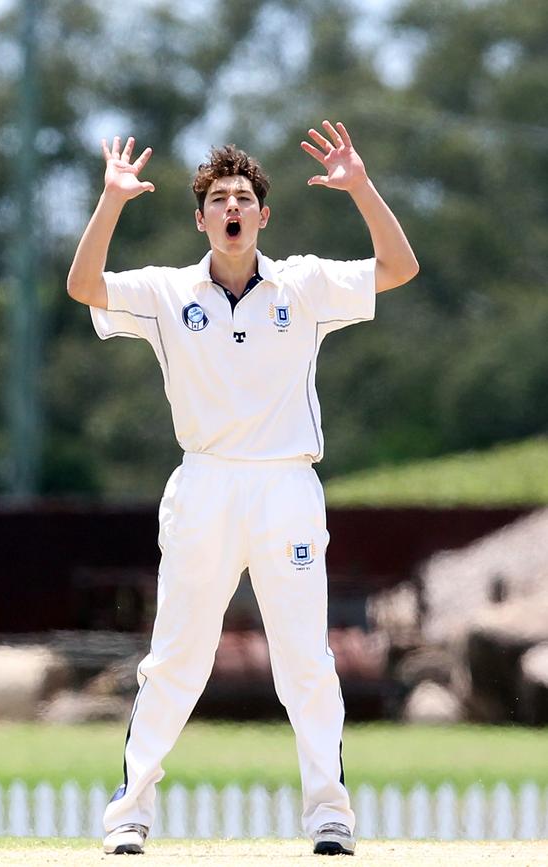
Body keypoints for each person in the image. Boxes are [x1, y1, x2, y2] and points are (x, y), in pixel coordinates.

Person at [67, 119, 418, 856]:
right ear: (201, 219)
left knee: (305, 661)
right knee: (176, 658)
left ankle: (329, 816)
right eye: (219, 199)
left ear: (264, 214)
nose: (232, 207)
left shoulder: (306, 284)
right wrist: (111, 202)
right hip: (203, 486)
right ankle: (128, 814)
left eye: (244, 198)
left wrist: (359, 186)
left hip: (286, 485)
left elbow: (397, 266)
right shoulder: (167, 291)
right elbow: (83, 285)